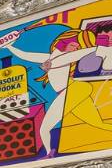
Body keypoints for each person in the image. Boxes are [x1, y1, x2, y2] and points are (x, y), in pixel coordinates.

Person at [8, 29, 98, 157]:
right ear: (64, 44)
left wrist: (101, 47)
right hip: (74, 90)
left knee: (44, 128)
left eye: (77, 47)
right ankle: (50, 153)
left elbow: (84, 52)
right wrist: (9, 46)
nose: (75, 48)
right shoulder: (48, 58)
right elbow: (24, 55)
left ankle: (49, 153)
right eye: (73, 45)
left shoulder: (66, 57)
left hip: (73, 90)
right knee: (97, 123)